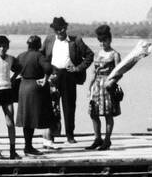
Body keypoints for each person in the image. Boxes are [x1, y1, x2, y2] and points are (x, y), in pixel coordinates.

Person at [41, 16, 93, 145]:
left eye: (61, 29)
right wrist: (44, 73)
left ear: (65, 28)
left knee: (69, 107)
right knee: (52, 106)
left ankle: (70, 135)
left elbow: (90, 55)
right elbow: (41, 56)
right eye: (56, 29)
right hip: (53, 74)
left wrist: (78, 68)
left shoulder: (76, 41)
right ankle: (51, 135)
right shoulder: (49, 40)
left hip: (69, 75)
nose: (59, 32)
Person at [14, 34, 53, 156]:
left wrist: (19, 75)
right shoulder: (39, 56)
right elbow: (48, 68)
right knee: (31, 119)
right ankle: (28, 147)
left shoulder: (21, 56)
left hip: (23, 87)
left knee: (26, 118)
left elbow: (15, 68)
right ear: (38, 45)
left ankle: (27, 146)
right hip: (35, 88)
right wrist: (45, 78)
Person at [85, 24, 120, 151]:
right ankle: (97, 138)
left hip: (108, 86)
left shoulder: (115, 54)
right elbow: (93, 72)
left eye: (104, 41)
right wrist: (89, 88)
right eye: (100, 41)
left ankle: (107, 140)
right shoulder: (97, 54)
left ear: (109, 40)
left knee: (107, 114)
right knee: (93, 113)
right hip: (96, 86)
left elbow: (119, 72)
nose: (102, 44)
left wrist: (112, 81)